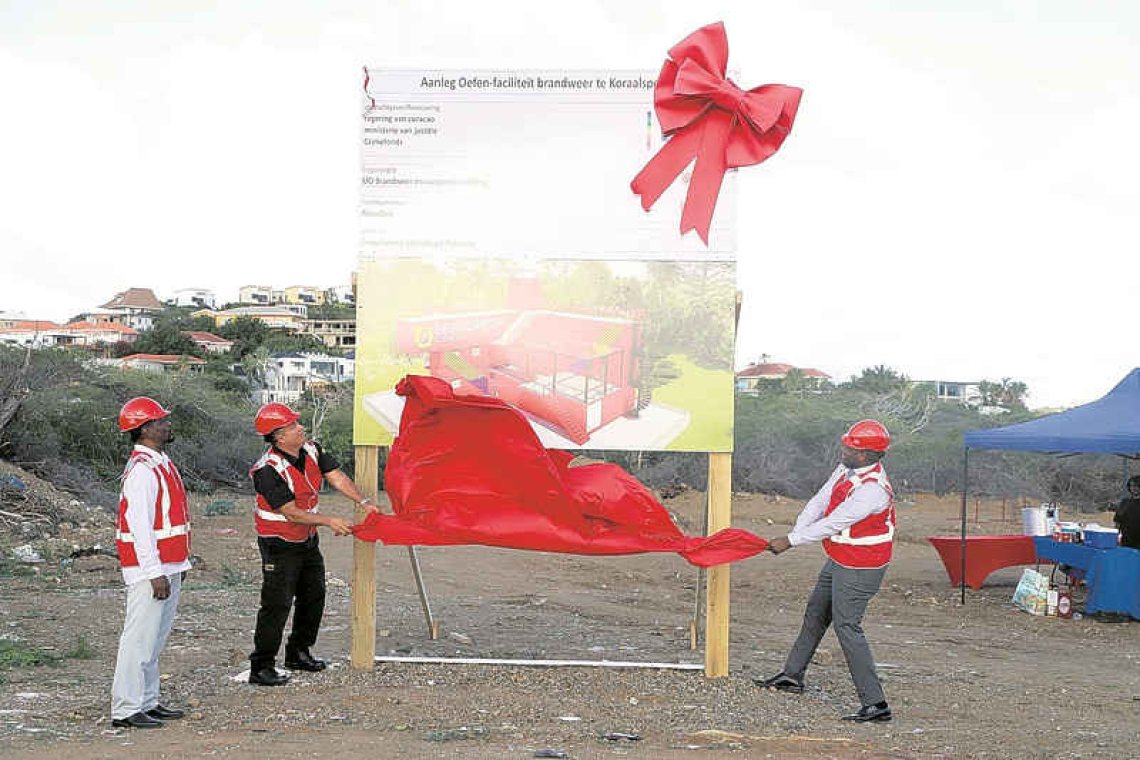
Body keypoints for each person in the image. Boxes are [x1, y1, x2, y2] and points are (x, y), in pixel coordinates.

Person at [756, 419, 896, 723]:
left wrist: (790, 542)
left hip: (862, 565)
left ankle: (876, 704)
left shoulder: (873, 490)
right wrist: (797, 529)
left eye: (849, 446)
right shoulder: (847, 468)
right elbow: (820, 500)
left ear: (865, 455)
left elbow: (835, 522)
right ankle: (792, 676)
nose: (842, 448)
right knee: (816, 613)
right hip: (841, 557)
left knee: (848, 627)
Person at [247, 402, 380, 686]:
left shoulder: (312, 450)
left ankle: (298, 652)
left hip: (305, 540)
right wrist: (330, 520)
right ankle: (261, 666)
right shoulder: (267, 470)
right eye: (294, 426)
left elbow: (337, 477)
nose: (301, 428)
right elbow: (291, 512)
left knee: (314, 595)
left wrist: (363, 501)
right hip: (278, 543)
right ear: (278, 436)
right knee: (277, 603)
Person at [111, 397, 191, 729]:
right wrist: (155, 572)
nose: (166, 425)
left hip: (168, 565)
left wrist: (178, 565)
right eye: (160, 421)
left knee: (154, 639)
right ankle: (126, 709)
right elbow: (140, 527)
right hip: (151, 569)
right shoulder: (142, 471)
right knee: (139, 639)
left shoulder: (159, 461)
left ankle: (147, 701)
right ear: (145, 429)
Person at [1114, 475, 1140, 550]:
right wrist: (1115, 537)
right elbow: (1118, 521)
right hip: (1126, 542)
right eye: (1131, 485)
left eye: (1137, 485)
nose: (1134, 488)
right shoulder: (1125, 502)